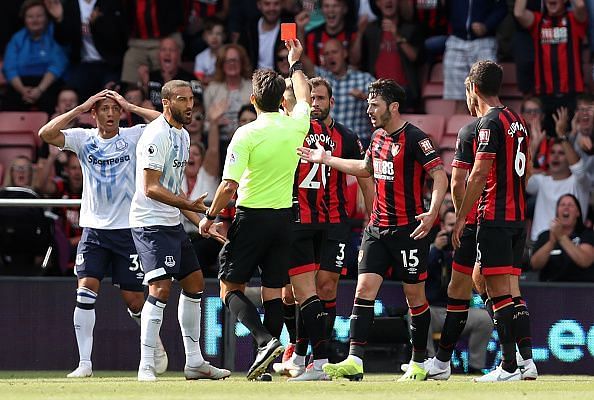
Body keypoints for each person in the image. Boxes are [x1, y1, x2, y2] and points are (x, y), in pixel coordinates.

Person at [299, 78, 448, 381]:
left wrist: (433, 213)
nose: (368, 109)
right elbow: (364, 167)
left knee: (414, 297)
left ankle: (420, 362)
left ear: (393, 107)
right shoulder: (377, 136)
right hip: (377, 228)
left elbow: (440, 176)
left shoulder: (418, 139)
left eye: (374, 104)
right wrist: (326, 158)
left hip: (409, 231)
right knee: (363, 290)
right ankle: (355, 359)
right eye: (368, 103)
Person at [198, 39, 311, 380]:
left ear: (252, 100)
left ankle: (264, 341)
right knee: (273, 292)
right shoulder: (297, 124)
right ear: (282, 100)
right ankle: (263, 369)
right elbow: (304, 96)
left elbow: (228, 185)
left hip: (251, 218)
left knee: (228, 288)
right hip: (284, 219)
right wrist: (295, 64)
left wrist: (209, 217)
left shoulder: (246, 134)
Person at [37, 89, 167, 378]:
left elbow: (165, 123)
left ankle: (152, 341)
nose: (110, 114)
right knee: (85, 291)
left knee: (134, 300)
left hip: (128, 231)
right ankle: (85, 363)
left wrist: (130, 104)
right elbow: (46, 133)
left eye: (114, 109)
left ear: (120, 113)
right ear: (94, 115)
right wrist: (80, 107)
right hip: (94, 230)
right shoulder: (84, 139)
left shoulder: (133, 136)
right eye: (104, 109)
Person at [272, 76, 374, 381]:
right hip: (298, 218)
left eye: (320, 99)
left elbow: (365, 177)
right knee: (293, 292)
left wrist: (372, 215)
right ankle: (298, 351)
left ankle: (314, 357)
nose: (315, 103)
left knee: (326, 287)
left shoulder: (347, 137)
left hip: (334, 222)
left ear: (331, 102)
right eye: (311, 98)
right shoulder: (291, 132)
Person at [129, 80, 230, 382]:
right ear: (166, 103)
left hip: (172, 222)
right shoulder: (155, 135)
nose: (190, 106)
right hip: (149, 222)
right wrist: (191, 205)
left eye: (191, 100)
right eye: (183, 100)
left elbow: (173, 189)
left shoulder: (184, 137)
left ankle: (195, 362)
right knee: (160, 288)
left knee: (196, 282)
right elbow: (150, 188)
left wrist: (197, 219)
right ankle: (146, 364)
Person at [451, 60, 533, 382]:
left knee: (498, 292)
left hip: (495, 218)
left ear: (473, 88)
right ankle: (527, 363)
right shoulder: (517, 121)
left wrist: (460, 219)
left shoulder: (488, 124)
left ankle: (509, 365)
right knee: (504, 289)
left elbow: (479, 173)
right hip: (516, 219)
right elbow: (525, 172)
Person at [424, 208, 493, 375]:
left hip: (460, 310)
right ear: (442, 226)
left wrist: (459, 254)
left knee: (484, 318)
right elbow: (420, 273)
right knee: (416, 315)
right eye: (450, 225)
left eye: (457, 225)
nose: (454, 230)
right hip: (434, 310)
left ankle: (475, 366)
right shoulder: (431, 248)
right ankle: (429, 360)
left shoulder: (468, 247)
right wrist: (436, 250)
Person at [514, 0, 588, 132]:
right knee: (547, 140)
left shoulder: (573, 19)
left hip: (571, 93)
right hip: (544, 94)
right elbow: (519, 13)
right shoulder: (538, 20)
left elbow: (581, 5)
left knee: (569, 139)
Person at [45, 0, 128, 101]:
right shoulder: (70, 4)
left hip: (109, 65)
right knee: (68, 95)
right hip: (84, 65)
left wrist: (98, 25)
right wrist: (59, 20)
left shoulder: (110, 3)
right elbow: (63, 40)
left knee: (110, 95)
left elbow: (119, 39)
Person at [302, 38, 375, 146]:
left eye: (334, 52)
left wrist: (364, 97)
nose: (330, 56)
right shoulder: (321, 78)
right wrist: (301, 29)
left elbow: (384, 102)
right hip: (329, 141)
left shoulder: (364, 79)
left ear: (344, 53)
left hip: (360, 141)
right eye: (326, 54)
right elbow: (302, 58)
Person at [2, 0, 68, 114]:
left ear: (47, 17)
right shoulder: (17, 38)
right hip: (21, 85)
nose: (35, 20)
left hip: (48, 84)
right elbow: (9, 67)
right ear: (24, 19)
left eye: (39, 16)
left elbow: (58, 64)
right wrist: (22, 90)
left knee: (54, 100)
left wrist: (39, 89)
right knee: (8, 101)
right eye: (30, 16)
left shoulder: (56, 34)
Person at [530, 194, 594, 281]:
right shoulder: (545, 235)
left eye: (570, 205)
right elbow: (534, 265)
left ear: (578, 212)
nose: (566, 207)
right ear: (557, 212)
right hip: (548, 290)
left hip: (580, 290)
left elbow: (585, 261)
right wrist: (551, 243)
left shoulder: (587, 234)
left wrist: (561, 237)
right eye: (562, 205)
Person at [193, 17, 226, 85]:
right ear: (204, 36)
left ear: (224, 36)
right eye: (210, 33)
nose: (214, 37)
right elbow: (200, 80)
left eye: (218, 34)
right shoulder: (200, 58)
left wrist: (209, 79)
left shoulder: (229, 54)